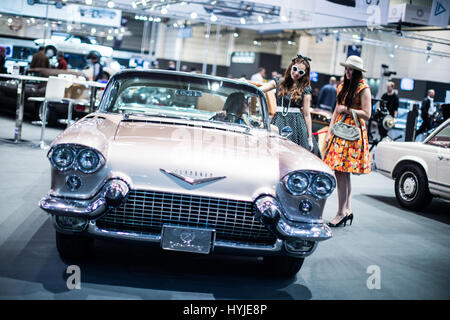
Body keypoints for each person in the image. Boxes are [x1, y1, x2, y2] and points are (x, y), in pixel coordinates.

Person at [323, 55, 372, 227]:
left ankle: (341, 212)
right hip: (339, 130)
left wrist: (348, 110)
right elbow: (336, 109)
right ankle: (346, 209)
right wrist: (329, 131)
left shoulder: (363, 88)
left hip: (352, 133)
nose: (348, 71)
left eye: (351, 69)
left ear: (357, 72)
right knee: (342, 172)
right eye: (346, 68)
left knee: (342, 172)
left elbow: (367, 114)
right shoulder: (343, 85)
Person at [258, 54, 320, 156]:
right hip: (278, 121)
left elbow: (306, 114)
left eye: (300, 72)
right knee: (274, 152)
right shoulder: (278, 82)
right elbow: (260, 90)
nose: (296, 73)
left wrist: (309, 138)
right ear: (291, 66)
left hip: (296, 125)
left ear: (304, 74)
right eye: (294, 69)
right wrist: (246, 87)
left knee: (293, 155)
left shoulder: (305, 88)